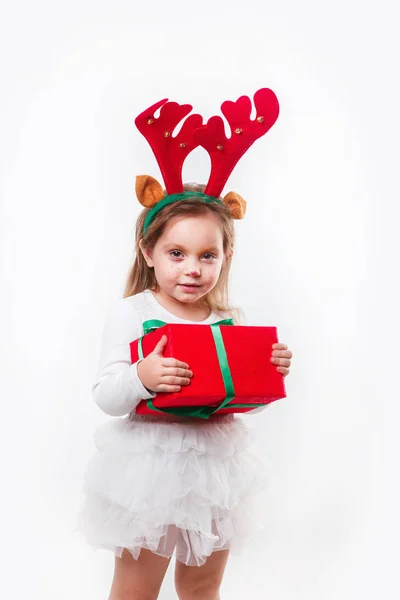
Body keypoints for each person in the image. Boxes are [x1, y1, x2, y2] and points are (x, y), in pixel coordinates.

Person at [77, 90, 293, 600]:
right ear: (148, 251)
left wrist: (267, 373)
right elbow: (106, 393)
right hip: (147, 468)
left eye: (207, 255)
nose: (192, 269)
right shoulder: (133, 312)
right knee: (136, 585)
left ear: (225, 256)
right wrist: (140, 378)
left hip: (216, 470)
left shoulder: (226, 319)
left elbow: (235, 398)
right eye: (176, 253)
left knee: (202, 583)